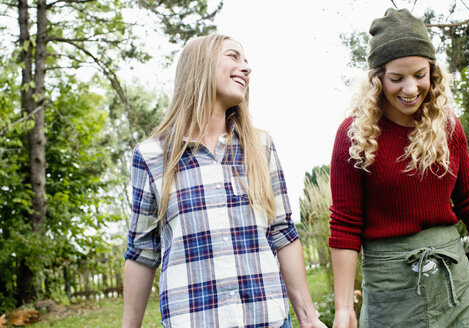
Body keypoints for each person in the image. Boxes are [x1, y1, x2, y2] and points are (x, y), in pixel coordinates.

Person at [122, 34, 325, 328]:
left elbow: (282, 233)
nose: (246, 68)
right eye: (233, 56)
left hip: (268, 320)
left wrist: (308, 317)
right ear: (200, 65)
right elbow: (142, 251)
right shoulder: (152, 155)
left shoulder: (261, 146)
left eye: (246, 60)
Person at [329, 8, 469, 328]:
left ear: (433, 72)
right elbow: (346, 225)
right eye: (396, 78)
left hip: (457, 287)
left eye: (419, 75)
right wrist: (343, 307)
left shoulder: (447, 127)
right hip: (392, 295)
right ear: (377, 78)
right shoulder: (353, 136)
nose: (410, 88)